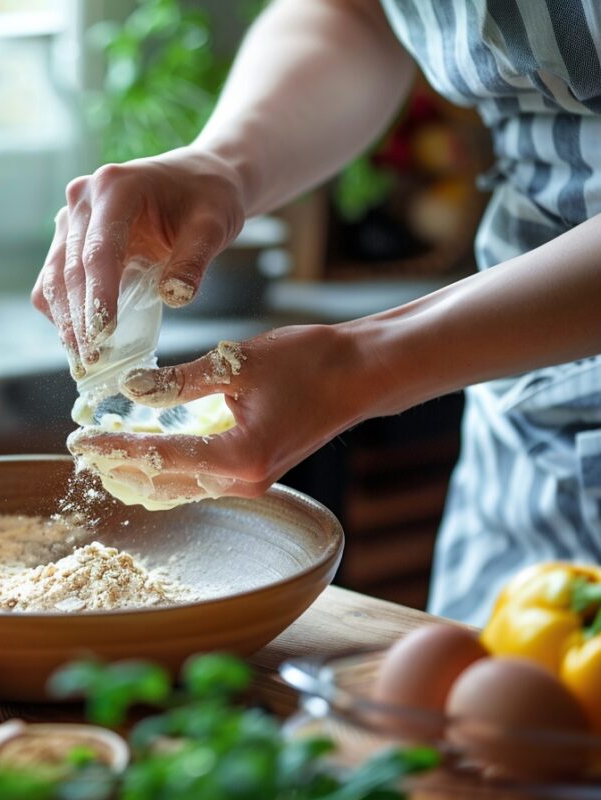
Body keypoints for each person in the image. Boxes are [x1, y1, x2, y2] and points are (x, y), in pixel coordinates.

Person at [34, 0, 601, 625]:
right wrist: (222, 163)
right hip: (526, 424)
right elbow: (356, 12)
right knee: (493, 701)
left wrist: (361, 363)